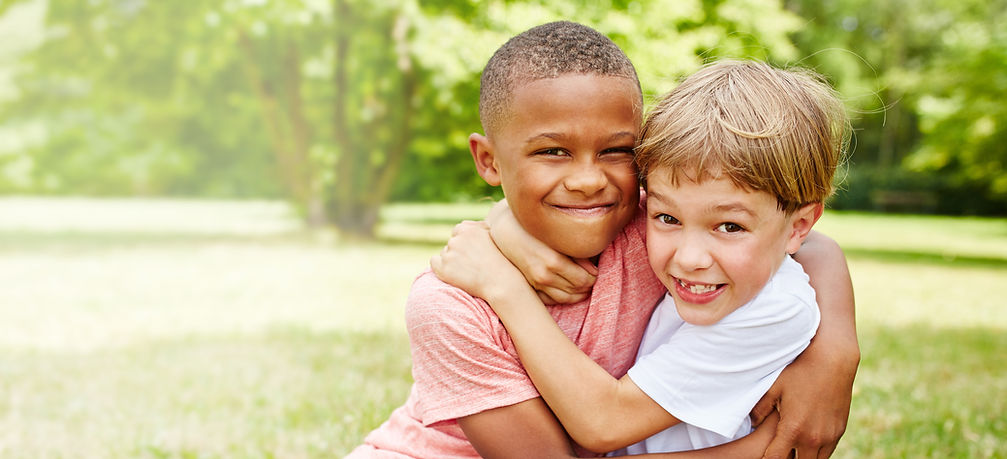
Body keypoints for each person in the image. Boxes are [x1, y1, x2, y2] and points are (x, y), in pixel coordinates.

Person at [350, 22, 858, 458]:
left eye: (617, 150)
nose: (588, 181)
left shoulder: (657, 229)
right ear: (488, 160)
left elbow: (807, 244)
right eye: (553, 151)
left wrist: (834, 355)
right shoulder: (451, 304)